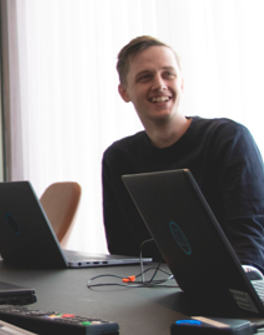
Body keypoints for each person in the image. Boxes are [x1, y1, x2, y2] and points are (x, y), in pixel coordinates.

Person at [102, 35, 264, 269]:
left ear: (182, 83)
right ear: (124, 92)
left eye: (168, 74)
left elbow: (249, 240)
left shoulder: (229, 139)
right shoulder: (117, 157)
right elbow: (123, 252)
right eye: (145, 77)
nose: (159, 84)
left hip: (230, 289)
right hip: (153, 294)